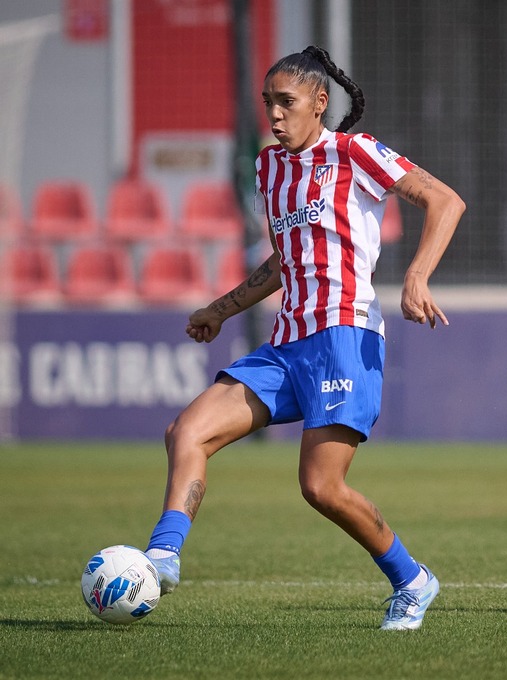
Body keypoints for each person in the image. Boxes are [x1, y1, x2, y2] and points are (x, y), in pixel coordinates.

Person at [143, 45, 465, 631]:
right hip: (288, 343)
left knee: (321, 487)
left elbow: (445, 200)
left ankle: (413, 581)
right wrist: (220, 308)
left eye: (286, 102)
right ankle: (161, 557)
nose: (274, 115)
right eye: (268, 103)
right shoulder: (269, 168)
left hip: (345, 335)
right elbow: (283, 262)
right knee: (185, 430)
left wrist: (416, 276)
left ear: (320, 103)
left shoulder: (355, 153)